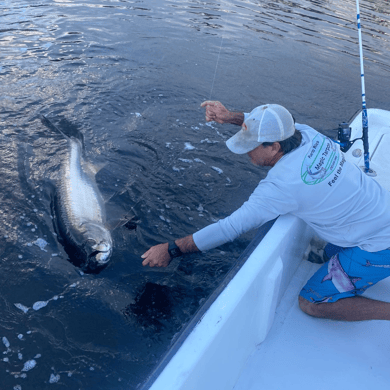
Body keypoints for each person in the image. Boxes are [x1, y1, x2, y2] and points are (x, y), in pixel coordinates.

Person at [141, 100, 390, 322]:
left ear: (274, 147)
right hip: (381, 212)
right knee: (326, 252)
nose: (246, 150)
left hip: (378, 245)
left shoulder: (281, 186)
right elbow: (275, 124)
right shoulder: (308, 134)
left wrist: (171, 249)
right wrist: (230, 117)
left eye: (251, 145)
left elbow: (230, 228)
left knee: (311, 302)